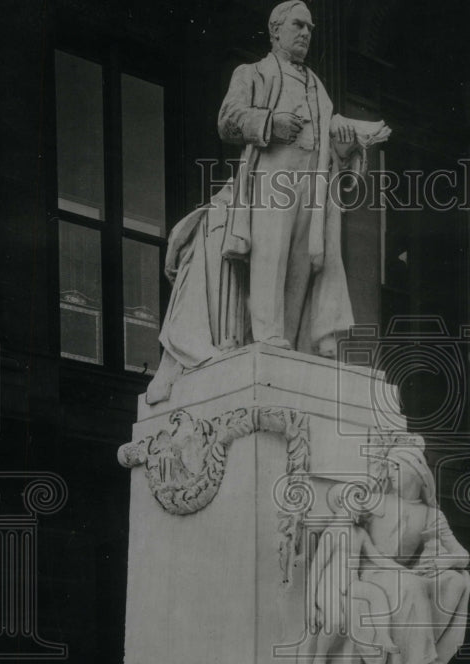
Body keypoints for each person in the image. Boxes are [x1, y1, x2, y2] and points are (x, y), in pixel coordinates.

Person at [146, 1, 388, 404]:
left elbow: (331, 139)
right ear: (275, 30)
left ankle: (288, 339)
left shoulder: (316, 85)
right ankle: (268, 333)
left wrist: (345, 141)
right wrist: (269, 123)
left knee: (304, 260)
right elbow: (228, 118)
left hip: (312, 180)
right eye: (298, 25)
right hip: (272, 175)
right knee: (270, 252)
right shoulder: (252, 73)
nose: (306, 33)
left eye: (310, 27)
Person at [361, 443, 470, 664]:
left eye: (395, 467)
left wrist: (446, 561)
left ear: (413, 470)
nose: (390, 473)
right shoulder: (377, 502)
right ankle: (414, 660)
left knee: (456, 581)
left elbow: (462, 554)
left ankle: (429, 660)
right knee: (411, 584)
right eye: (388, 468)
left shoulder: (431, 515)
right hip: (374, 572)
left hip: (405, 574)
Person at [308, 485, 402, 664]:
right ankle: (319, 660)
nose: (360, 506)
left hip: (351, 584)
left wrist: (402, 569)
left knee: (377, 594)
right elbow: (317, 568)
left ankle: (383, 635)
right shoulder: (332, 532)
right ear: (342, 502)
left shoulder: (359, 533)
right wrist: (311, 606)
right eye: (356, 500)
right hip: (329, 585)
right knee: (335, 621)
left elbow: (377, 558)